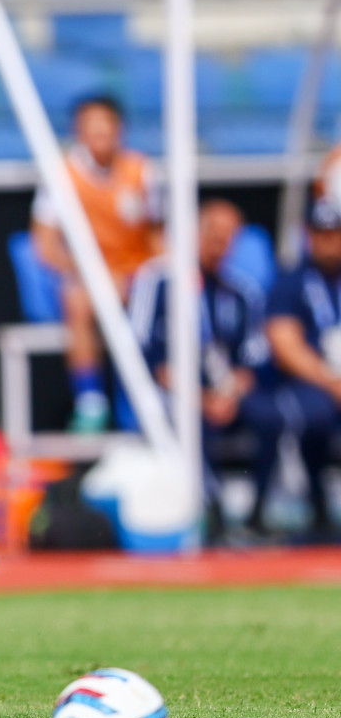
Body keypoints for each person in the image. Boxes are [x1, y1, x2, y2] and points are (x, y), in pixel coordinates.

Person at [127, 199, 282, 538]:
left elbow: (253, 358)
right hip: (175, 391)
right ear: (194, 232)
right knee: (188, 421)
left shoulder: (241, 292)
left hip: (225, 393)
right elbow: (143, 353)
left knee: (272, 415)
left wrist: (229, 394)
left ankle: (258, 511)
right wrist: (199, 397)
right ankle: (213, 511)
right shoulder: (157, 281)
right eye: (213, 233)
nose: (219, 243)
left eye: (228, 236)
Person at [31, 95, 163, 433]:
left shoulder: (141, 171)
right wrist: (85, 271)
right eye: (93, 128)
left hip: (137, 275)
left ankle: (154, 401)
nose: (101, 135)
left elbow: (157, 236)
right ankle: (91, 400)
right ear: (80, 132)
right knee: (77, 299)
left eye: (108, 127)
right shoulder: (62, 176)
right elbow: (45, 243)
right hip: (89, 277)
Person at [266, 196, 341, 538]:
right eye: (322, 232)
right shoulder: (291, 282)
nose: (330, 240)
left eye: (335, 232)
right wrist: (331, 381)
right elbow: (285, 344)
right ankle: (316, 500)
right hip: (312, 381)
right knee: (315, 414)